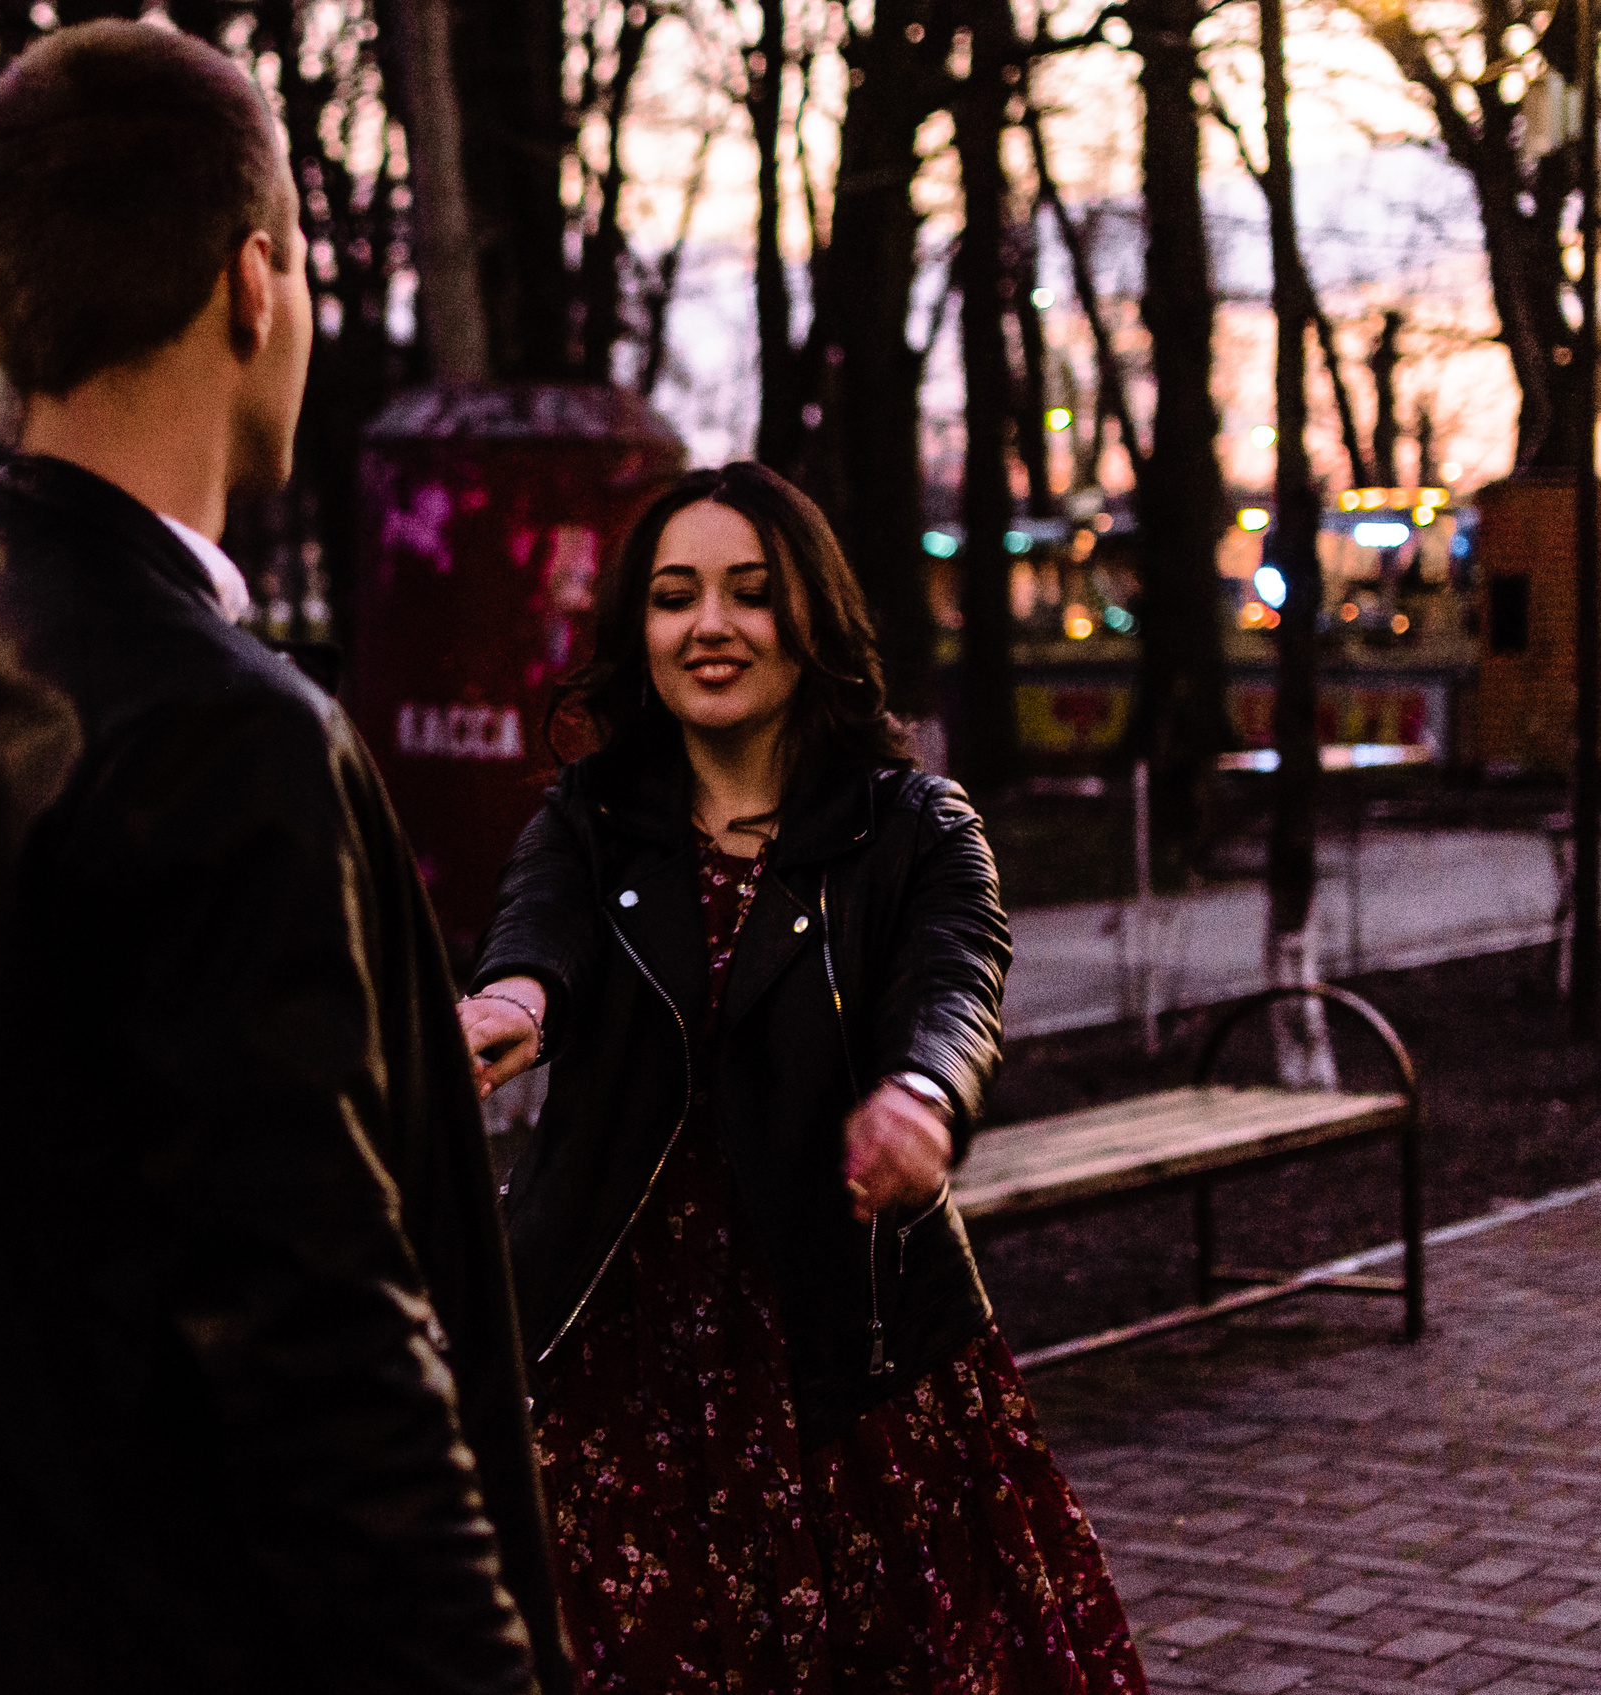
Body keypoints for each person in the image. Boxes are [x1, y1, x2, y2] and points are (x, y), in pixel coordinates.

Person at [0, 22, 568, 1695]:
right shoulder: (227, 731)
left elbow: (49, 1106)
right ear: (253, 285)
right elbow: (322, 1342)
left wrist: (383, 1073)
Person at [459, 462, 1145, 1692]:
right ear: (639, 631)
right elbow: (537, 936)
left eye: (747, 593)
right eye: (674, 597)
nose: (708, 625)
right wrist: (514, 1001)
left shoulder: (916, 829)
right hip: (615, 1368)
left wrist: (922, 1097)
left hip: (854, 1356)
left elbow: (952, 991)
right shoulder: (587, 822)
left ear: (810, 618)